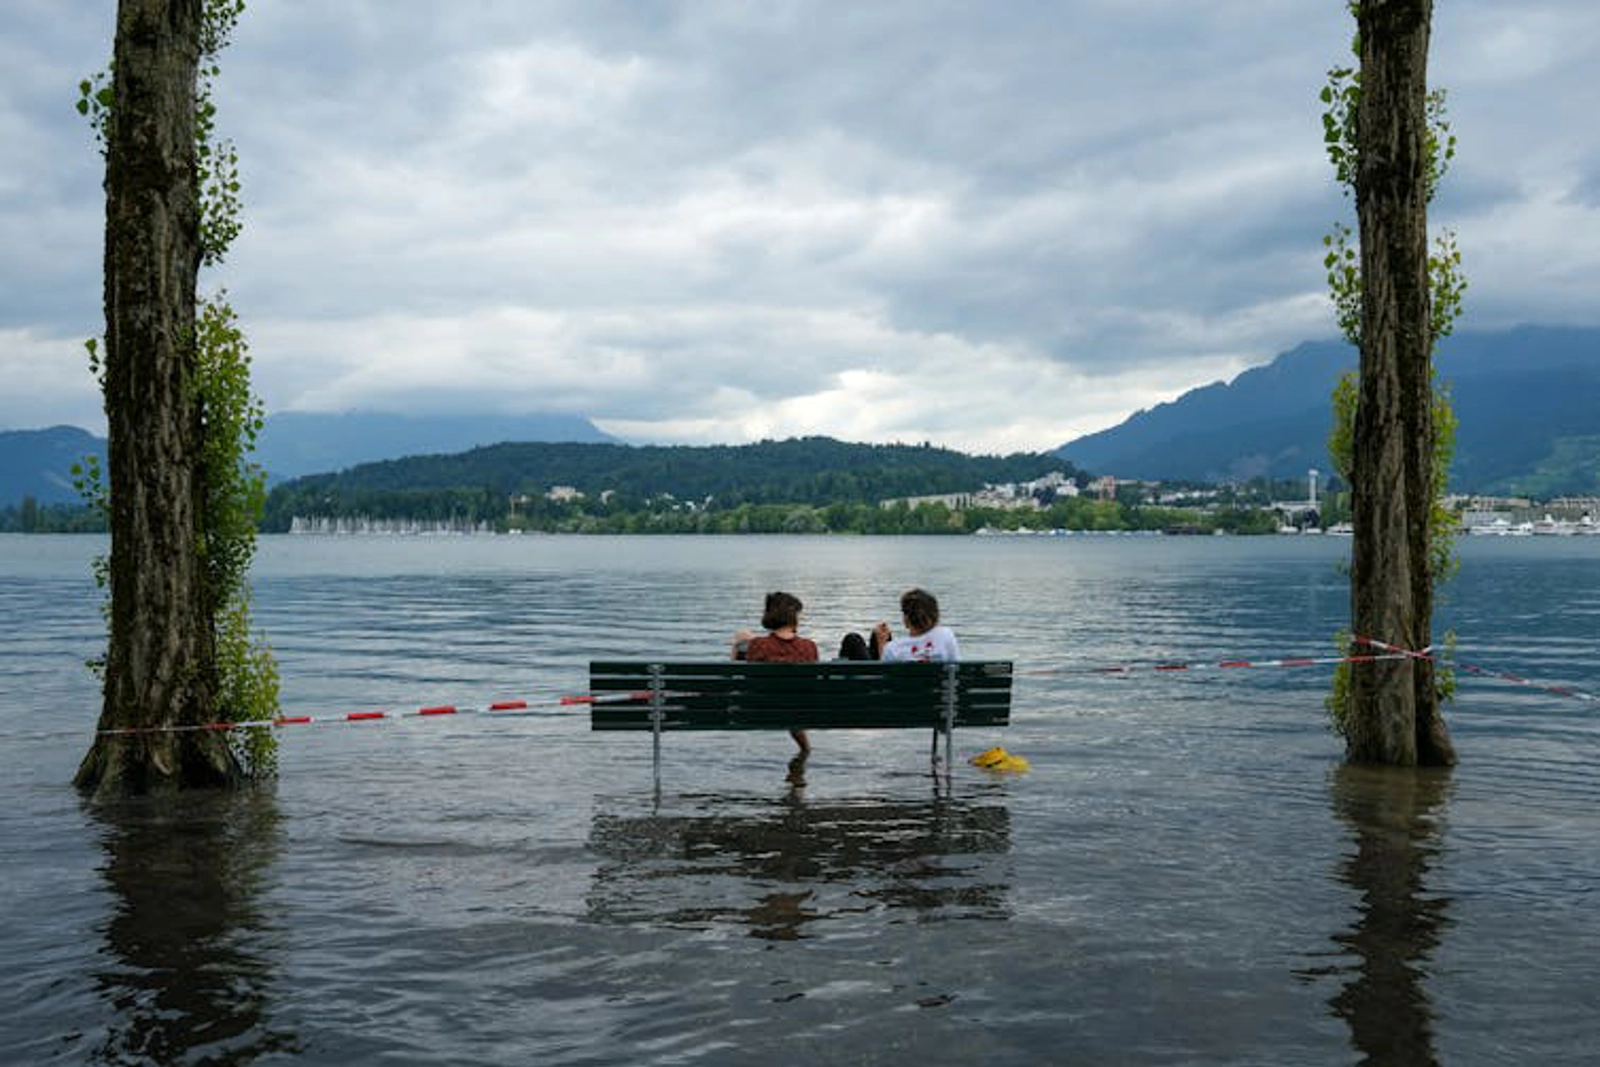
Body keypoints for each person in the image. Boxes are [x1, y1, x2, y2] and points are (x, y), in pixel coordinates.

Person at [735, 591, 819, 755]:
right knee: (791, 701)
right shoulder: (809, 646)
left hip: (761, 709)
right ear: (792, 617)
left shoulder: (758, 645)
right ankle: (805, 751)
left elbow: (742, 678)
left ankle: (804, 751)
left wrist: (737, 646)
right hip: (799, 709)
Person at [873, 587, 959, 662]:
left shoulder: (892, 648)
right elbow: (955, 668)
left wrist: (882, 644)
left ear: (906, 619)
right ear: (935, 615)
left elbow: (885, 675)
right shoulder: (946, 635)